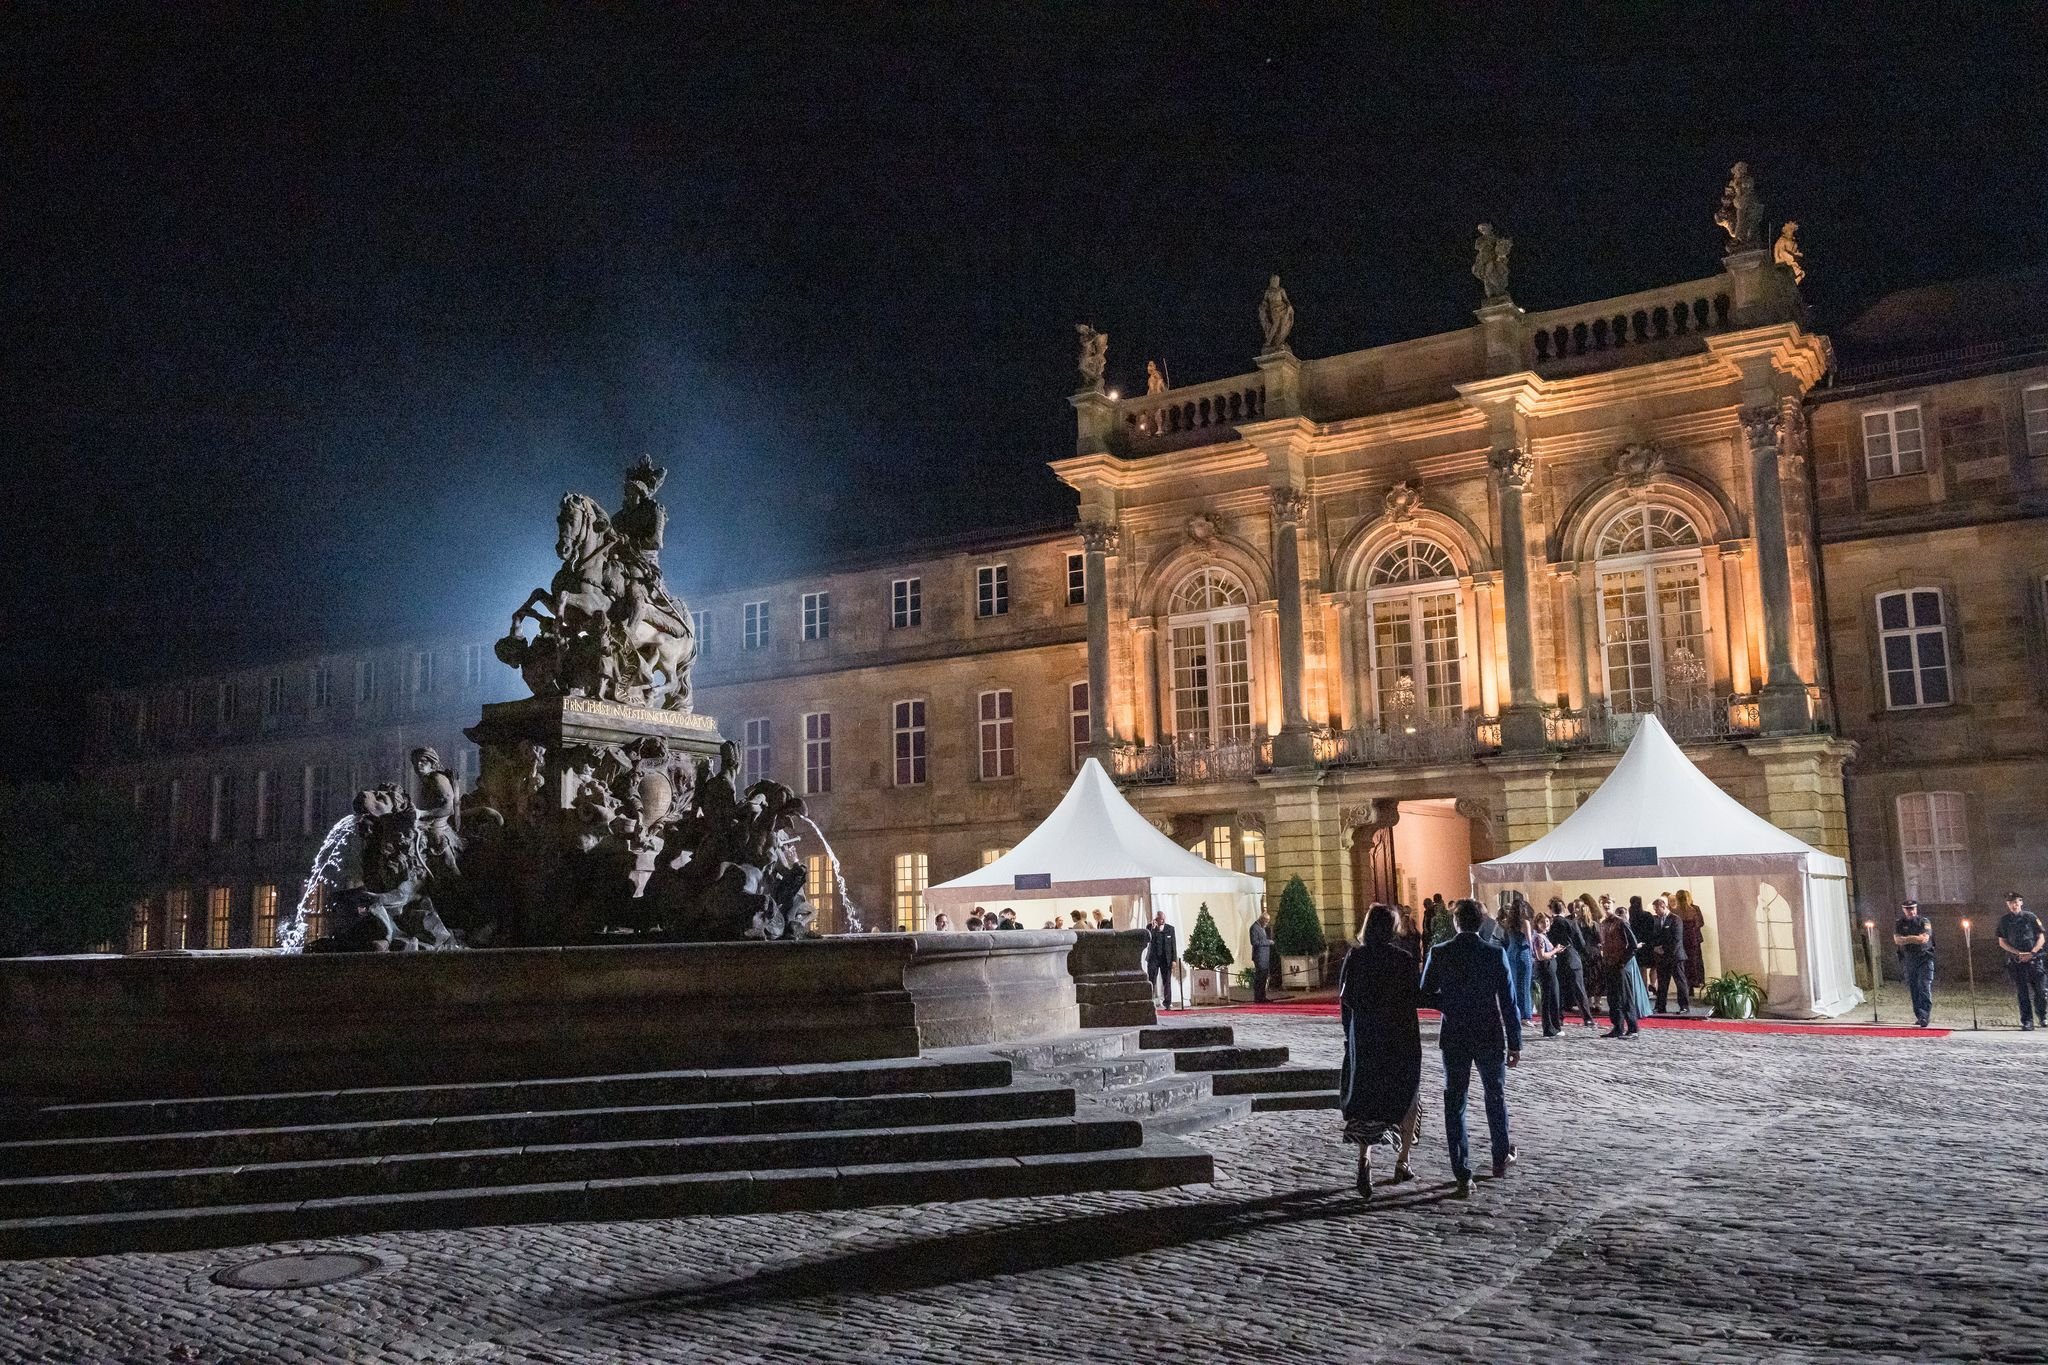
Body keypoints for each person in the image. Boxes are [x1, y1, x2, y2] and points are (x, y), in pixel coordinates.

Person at [1418, 899, 1521, 1198]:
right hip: (1489, 1033)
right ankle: (1500, 1157)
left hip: (1456, 1034)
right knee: (1495, 1096)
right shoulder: (1494, 953)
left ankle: (1463, 1173)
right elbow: (1509, 1002)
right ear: (1480, 924)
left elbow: (1424, 994)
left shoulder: (1440, 952)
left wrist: (1449, 1003)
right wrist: (1515, 1042)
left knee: (1455, 1102)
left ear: (1455, 923)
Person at [1338, 904, 1424, 1197]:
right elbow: (1415, 997)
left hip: (1367, 1038)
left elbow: (1345, 999)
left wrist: (1349, 1035)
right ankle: (1403, 1161)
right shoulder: (1402, 959)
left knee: (1369, 1100)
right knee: (1407, 1096)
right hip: (1399, 1038)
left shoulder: (1356, 957)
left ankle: (1365, 1159)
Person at [1995, 892, 2047, 1031]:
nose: (2014, 905)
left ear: (2021, 903)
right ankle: (2027, 1021)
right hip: (2017, 961)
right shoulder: (2004, 921)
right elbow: (2002, 942)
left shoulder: (2030, 917)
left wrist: (2032, 952)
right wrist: (2018, 953)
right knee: (2023, 993)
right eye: (2011, 903)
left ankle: (2042, 1017)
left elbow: (2041, 938)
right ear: (2007, 904)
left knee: (2041, 991)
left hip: (2035, 960)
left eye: (2016, 902)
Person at [1547, 897, 1597, 1028]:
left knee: (1559, 991)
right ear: (1563, 909)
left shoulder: (1550, 924)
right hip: (1572, 958)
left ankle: (1558, 1018)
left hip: (1556, 959)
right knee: (1579, 990)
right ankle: (1587, 1018)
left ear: (1552, 909)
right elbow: (1581, 943)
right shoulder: (1571, 923)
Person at [1598, 900, 1642, 1038]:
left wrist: (1622, 961)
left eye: (1608, 904)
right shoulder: (1604, 924)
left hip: (1620, 965)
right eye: (1604, 905)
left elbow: (1633, 945)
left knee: (1625, 997)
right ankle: (1617, 1026)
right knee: (1613, 998)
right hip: (1609, 964)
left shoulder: (1621, 922)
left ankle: (1632, 1028)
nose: (1606, 907)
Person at [1892, 898, 1935, 1029]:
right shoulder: (1900, 923)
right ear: (1904, 910)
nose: (1911, 911)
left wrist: (1907, 938)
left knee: (1924, 985)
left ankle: (1924, 1016)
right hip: (1909, 958)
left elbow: (1924, 939)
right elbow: (1897, 940)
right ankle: (1918, 1015)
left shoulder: (1924, 921)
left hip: (1925, 957)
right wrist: (1913, 938)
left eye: (1913, 909)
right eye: (1908, 909)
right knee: (1914, 987)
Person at [1650, 896, 1692, 1014]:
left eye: (1656, 909)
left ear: (1663, 907)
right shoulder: (1657, 920)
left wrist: (1663, 949)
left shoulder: (1675, 919)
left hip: (1675, 956)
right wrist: (1655, 947)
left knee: (1680, 982)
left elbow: (1676, 939)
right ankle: (1660, 1006)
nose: (1655, 912)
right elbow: (1654, 936)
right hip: (1662, 958)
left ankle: (1684, 1006)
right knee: (1662, 983)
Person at [1501, 895, 1536, 1023]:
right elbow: (1529, 941)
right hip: (1522, 952)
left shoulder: (1509, 923)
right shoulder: (1525, 922)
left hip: (1511, 953)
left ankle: (1515, 1012)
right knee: (1525, 985)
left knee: (1514, 984)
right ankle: (1525, 1015)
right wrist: (1533, 956)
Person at [1532, 918, 1564, 1037]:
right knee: (1549, 997)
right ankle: (1549, 1027)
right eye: (1542, 922)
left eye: (1547, 922)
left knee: (1553, 997)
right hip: (1545, 968)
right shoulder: (1538, 937)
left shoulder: (1544, 936)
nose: (1545, 924)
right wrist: (1554, 950)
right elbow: (1541, 956)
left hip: (1550, 967)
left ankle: (1554, 1026)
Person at [1144, 911, 1179, 1009]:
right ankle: (1150, 1001)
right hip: (1153, 959)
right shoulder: (1150, 927)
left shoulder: (1170, 929)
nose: (1163, 921)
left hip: (1165, 959)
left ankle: (1167, 1002)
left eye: (1164, 919)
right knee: (1152, 980)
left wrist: (1174, 960)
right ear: (1156, 919)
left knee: (1167, 981)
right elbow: (1147, 939)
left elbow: (1173, 945)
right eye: (1161, 919)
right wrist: (1153, 928)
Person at [1249, 907, 1278, 1002]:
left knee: (1263, 978)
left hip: (1264, 956)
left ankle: (1262, 997)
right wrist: (1268, 942)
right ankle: (1258, 997)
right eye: (1266, 921)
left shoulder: (1262, 927)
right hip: (1259, 957)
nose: (1267, 923)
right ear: (1262, 919)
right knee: (1260, 978)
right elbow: (1254, 942)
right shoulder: (1254, 928)